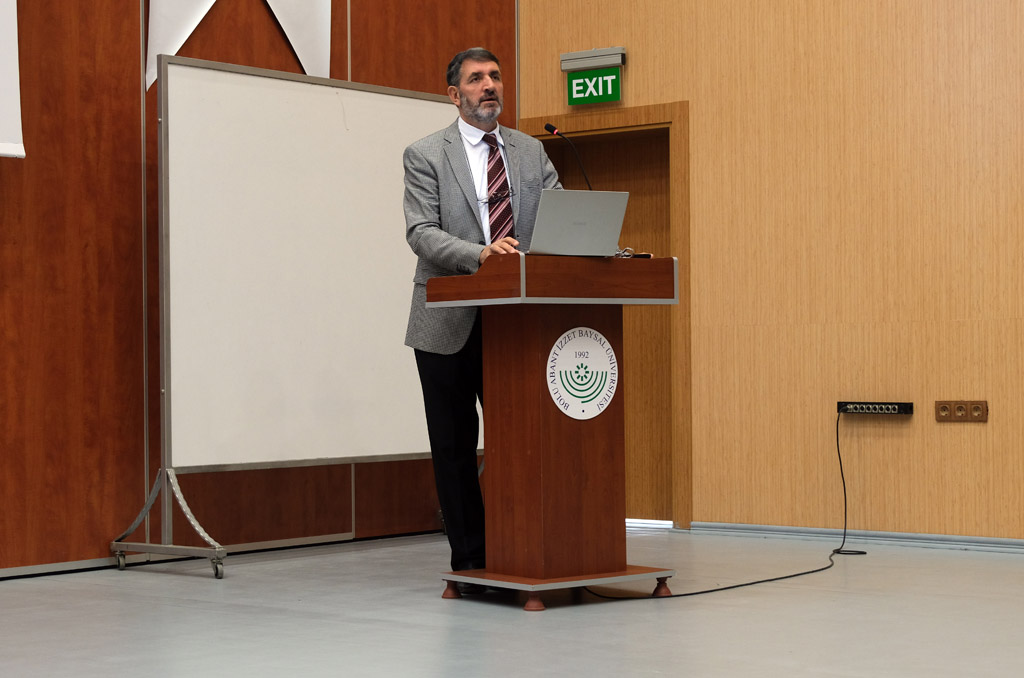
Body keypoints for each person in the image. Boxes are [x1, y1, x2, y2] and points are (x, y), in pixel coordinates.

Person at [403, 47, 561, 574]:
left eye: (494, 76)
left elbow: (560, 214)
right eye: (475, 79)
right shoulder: (426, 154)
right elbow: (421, 232)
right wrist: (480, 255)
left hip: (518, 320)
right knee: (454, 446)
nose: (488, 85)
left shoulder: (531, 151)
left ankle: (528, 550)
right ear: (455, 94)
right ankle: (471, 561)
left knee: (525, 439)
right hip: (448, 320)